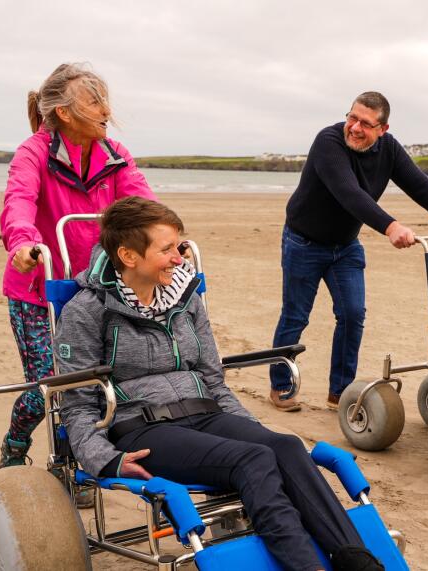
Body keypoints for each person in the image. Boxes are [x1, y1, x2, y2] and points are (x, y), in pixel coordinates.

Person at [56, 197, 384, 571]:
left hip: (204, 411)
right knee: (253, 458)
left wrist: (250, 428)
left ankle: (358, 561)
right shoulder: (87, 312)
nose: (179, 258)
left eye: (179, 246)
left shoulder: (185, 297)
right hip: (142, 428)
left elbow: (213, 379)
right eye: (166, 249)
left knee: (285, 447)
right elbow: (78, 404)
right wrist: (108, 461)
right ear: (129, 256)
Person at [0, 62, 156, 469]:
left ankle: (74, 459)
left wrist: (164, 240)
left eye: (105, 99)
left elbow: (142, 205)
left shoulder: (114, 155)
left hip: (95, 287)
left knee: (93, 382)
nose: (106, 109)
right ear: (65, 113)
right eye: (94, 101)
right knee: (47, 385)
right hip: (39, 286)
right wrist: (23, 242)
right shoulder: (33, 151)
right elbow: (19, 201)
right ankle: (15, 445)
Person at [269, 91, 428, 412]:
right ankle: (281, 386)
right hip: (303, 241)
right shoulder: (328, 141)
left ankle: (340, 392)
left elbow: (419, 185)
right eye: (352, 118)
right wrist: (390, 226)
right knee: (295, 316)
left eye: (365, 123)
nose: (355, 128)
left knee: (352, 315)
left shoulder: (389, 150)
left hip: (345, 246)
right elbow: (349, 193)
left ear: (382, 130)